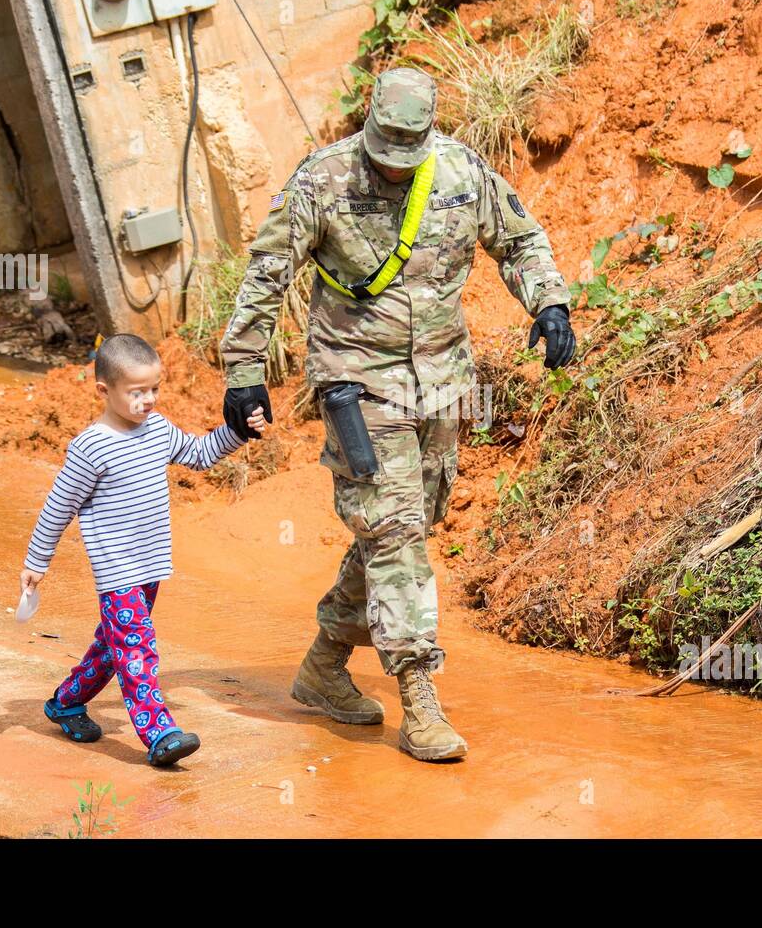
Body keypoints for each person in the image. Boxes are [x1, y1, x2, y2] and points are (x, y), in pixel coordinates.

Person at [219, 67, 576, 761]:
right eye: (383, 148)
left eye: (405, 152)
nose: (392, 165)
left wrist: (549, 301)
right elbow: (266, 273)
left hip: (442, 384)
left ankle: (324, 664)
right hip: (357, 384)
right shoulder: (323, 181)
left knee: (413, 518)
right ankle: (419, 700)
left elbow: (522, 240)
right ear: (370, 123)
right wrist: (243, 370)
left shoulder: (460, 173)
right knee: (395, 529)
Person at [20, 333, 266, 767]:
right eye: (137, 392)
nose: (148, 400)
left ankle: (65, 702)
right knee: (137, 649)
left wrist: (237, 430)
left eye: (154, 389)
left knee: (112, 647)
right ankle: (159, 733)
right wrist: (36, 562)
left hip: (151, 565)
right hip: (117, 571)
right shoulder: (90, 447)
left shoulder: (157, 429)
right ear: (105, 390)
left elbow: (198, 453)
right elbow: (58, 507)